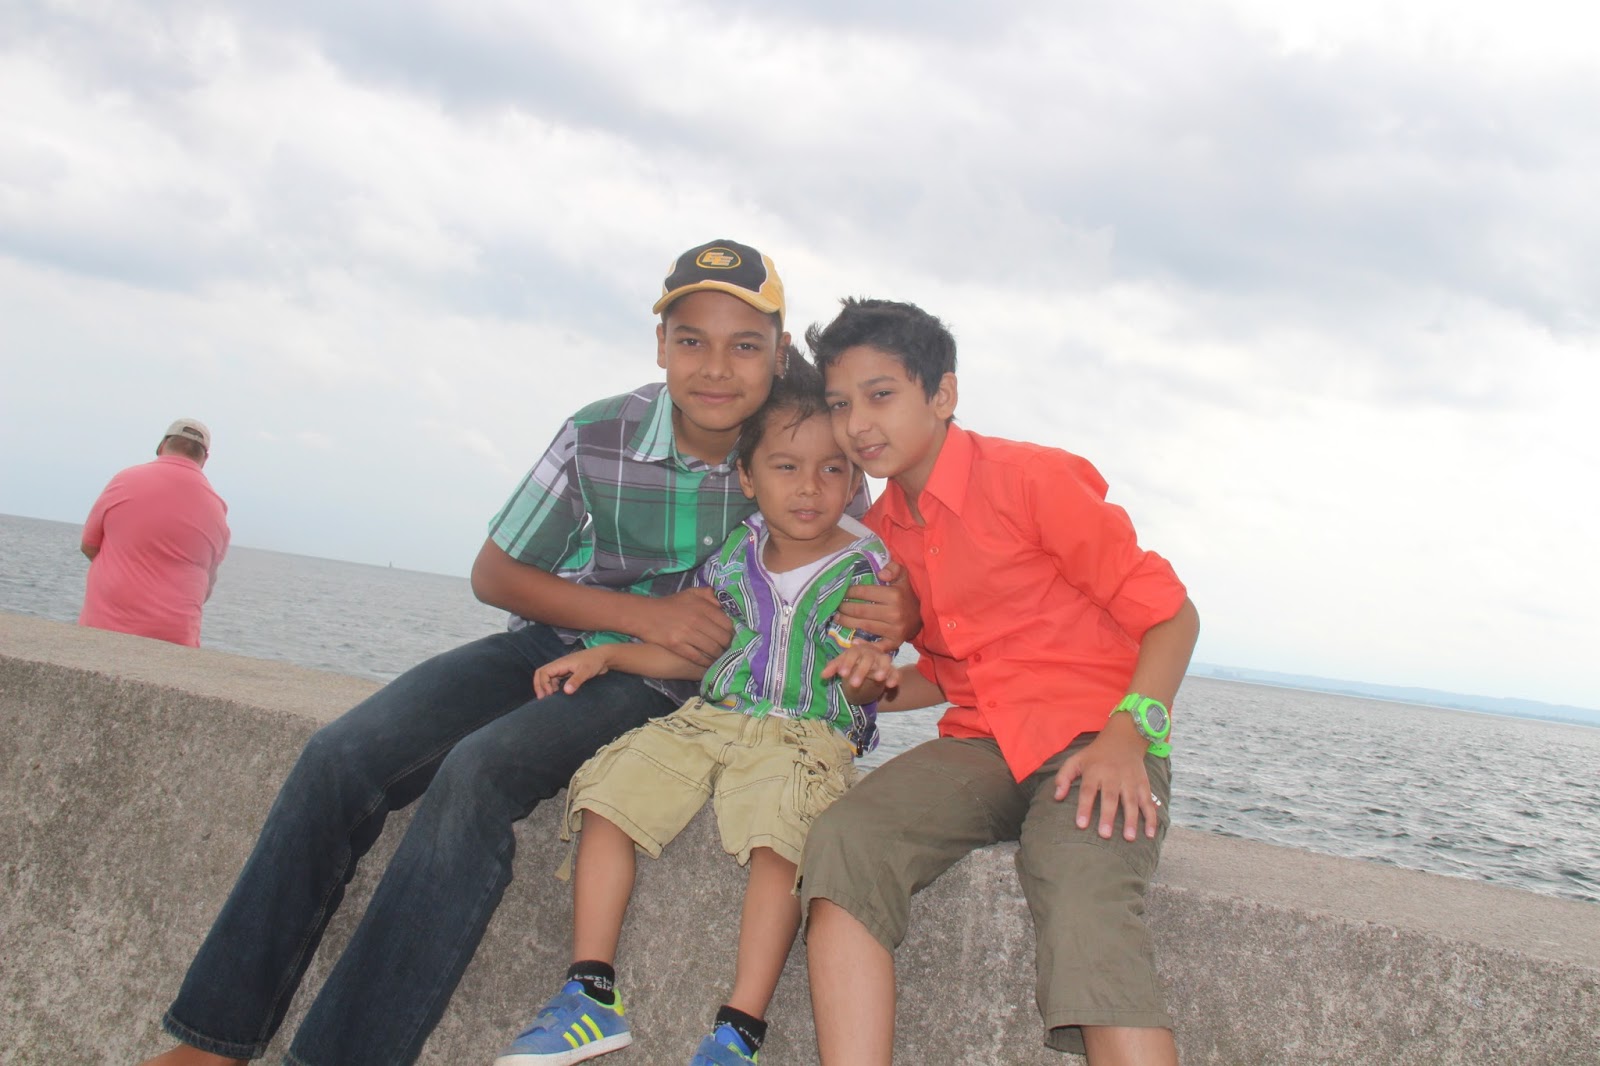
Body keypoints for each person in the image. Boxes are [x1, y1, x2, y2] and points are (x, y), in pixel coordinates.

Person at [137, 242, 917, 1066]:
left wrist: (902, 611)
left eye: (745, 345)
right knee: (341, 754)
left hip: (669, 683)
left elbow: (869, 571)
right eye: (692, 340)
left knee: (477, 774)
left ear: (780, 352)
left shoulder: (810, 451)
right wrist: (637, 615)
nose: (717, 368)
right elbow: (495, 573)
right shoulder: (600, 433)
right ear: (660, 344)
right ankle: (213, 1042)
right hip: (559, 637)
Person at [801, 298, 1201, 1066]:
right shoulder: (879, 539)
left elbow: (1173, 618)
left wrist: (1129, 738)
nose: (857, 424)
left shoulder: (1031, 481)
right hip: (983, 745)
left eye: (880, 395)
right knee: (845, 842)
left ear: (942, 395)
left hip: (1095, 739)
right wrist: (873, 678)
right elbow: (950, 676)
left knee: (1082, 902)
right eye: (840, 404)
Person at [494, 359, 898, 1066]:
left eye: (832, 470)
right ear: (749, 478)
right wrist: (608, 656)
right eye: (786, 467)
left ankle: (738, 1031)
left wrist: (870, 670)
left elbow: (866, 680)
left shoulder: (866, 568)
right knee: (609, 788)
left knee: (781, 833)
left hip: (806, 733)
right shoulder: (738, 556)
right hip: (714, 717)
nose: (809, 487)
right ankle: (589, 994)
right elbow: (699, 655)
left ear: (853, 479)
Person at [79, 418, 231, 648]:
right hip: (175, 641)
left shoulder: (125, 480)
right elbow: (207, 585)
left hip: (105, 629)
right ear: (204, 459)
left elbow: (89, 546)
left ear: (162, 445)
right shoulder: (217, 508)